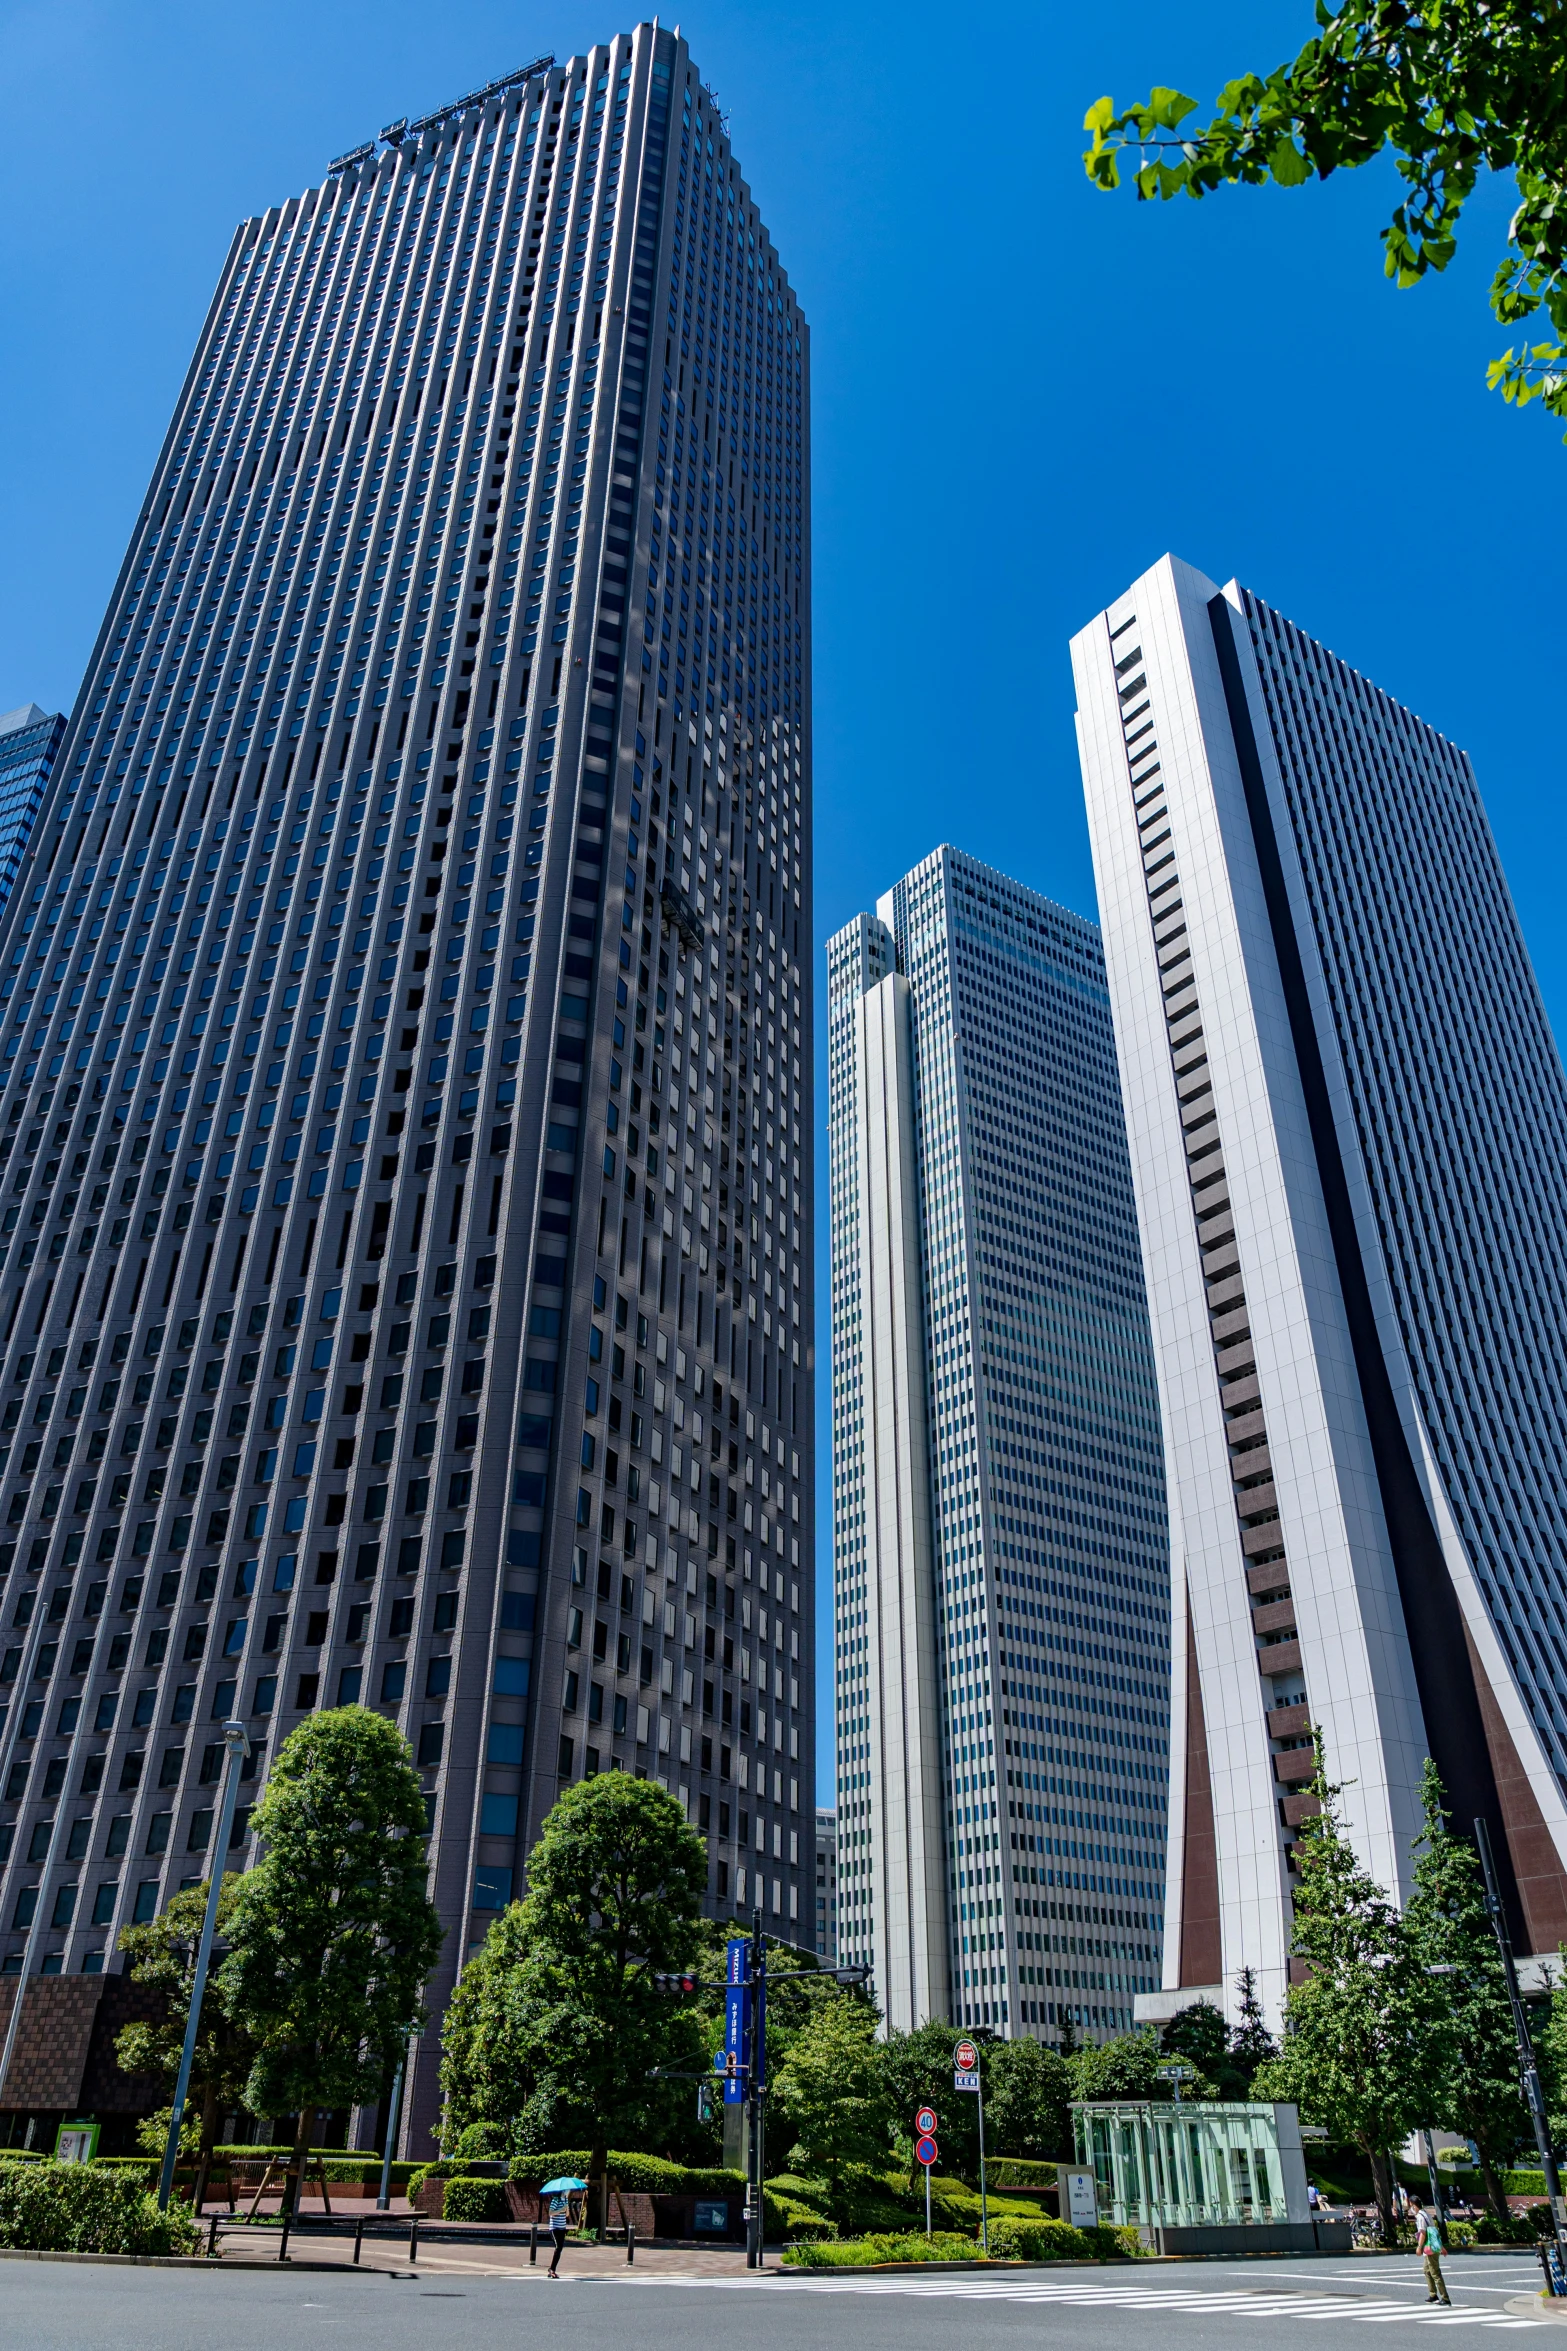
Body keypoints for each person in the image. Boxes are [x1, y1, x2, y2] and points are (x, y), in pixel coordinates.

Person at [1418, 2206, 1451, 2306]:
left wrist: (1419, 2247)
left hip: (1430, 2248)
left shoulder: (1420, 2216)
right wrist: (1441, 2247)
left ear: (1414, 2205)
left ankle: (1445, 2298)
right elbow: (1434, 2233)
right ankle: (1433, 2294)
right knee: (1426, 2270)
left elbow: (1423, 2233)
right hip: (1433, 2246)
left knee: (1435, 2272)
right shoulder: (1426, 2214)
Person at [547, 2186, 572, 2278]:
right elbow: (550, 2213)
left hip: (562, 2228)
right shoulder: (555, 2200)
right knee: (558, 2247)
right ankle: (552, 2269)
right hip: (554, 2228)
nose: (568, 2191)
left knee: (560, 2249)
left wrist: (566, 2209)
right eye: (567, 2190)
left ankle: (552, 2269)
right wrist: (561, 2209)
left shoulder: (565, 2200)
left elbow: (567, 2215)